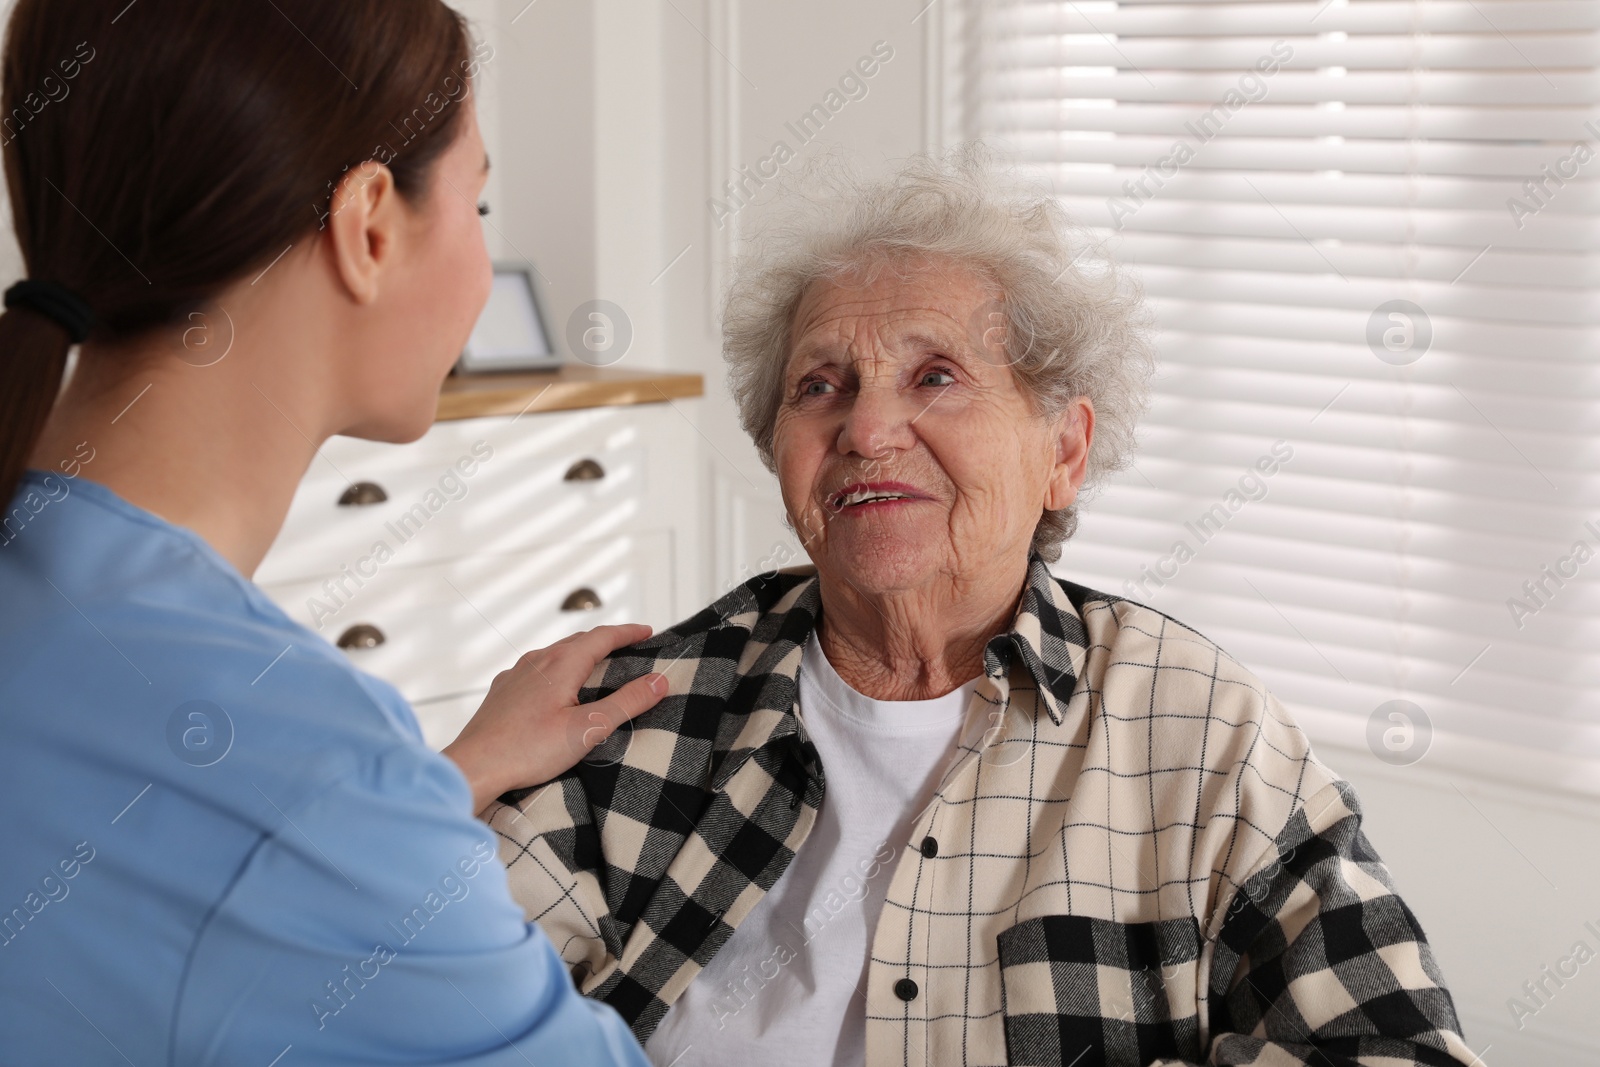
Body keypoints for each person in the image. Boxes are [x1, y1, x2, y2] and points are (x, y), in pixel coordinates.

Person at [484, 153, 1479, 1067]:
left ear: (1063, 451)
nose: (866, 428)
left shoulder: (1201, 732)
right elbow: (416, 996)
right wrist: (456, 780)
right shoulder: (652, 703)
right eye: (820, 385)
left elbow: (1398, 1049)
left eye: (937, 376)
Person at [0, 2, 664, 1064]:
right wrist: (382, 809)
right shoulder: (308, 775)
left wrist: (446, 778)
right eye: (477, 202)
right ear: (367, 226)